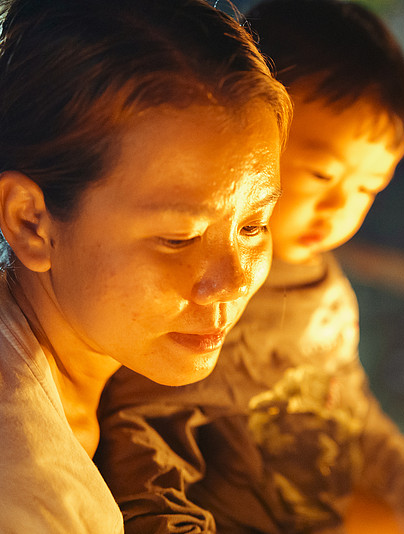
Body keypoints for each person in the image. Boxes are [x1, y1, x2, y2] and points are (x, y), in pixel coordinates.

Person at [94, 1, 404, 533]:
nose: (339, 206)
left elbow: (351, 417)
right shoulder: (201, 292)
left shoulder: (328, 295)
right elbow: (141, 433)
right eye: (322, 174)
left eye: (368, 187)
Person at [0, 0, 290, 531]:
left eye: (253, 226)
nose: (235, 280)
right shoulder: (32, 499)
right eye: (179, 238)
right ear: (30, 223)